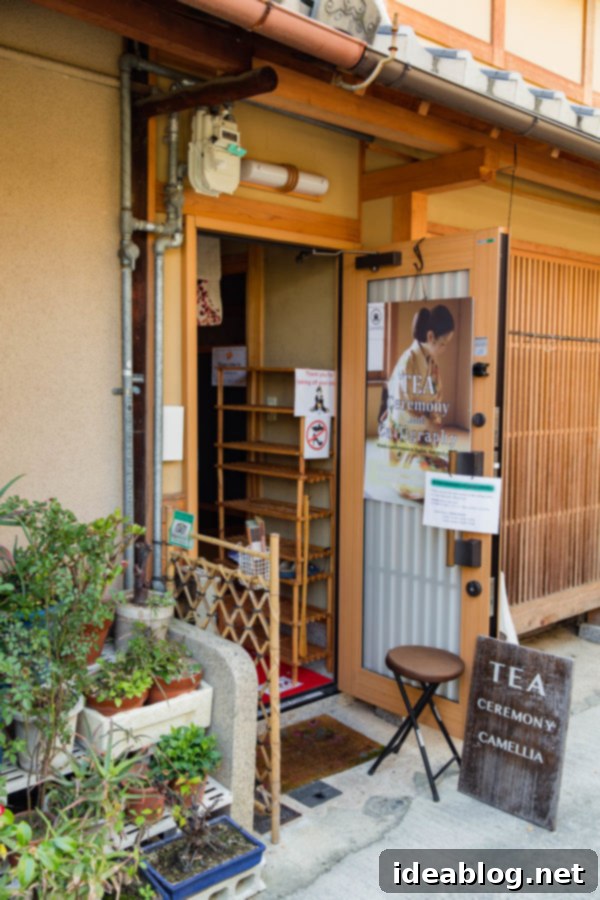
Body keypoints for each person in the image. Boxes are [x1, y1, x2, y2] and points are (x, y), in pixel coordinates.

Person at [379, 304, 455, 443]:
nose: (445, 348)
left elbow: (436, 398)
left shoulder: (433, 364)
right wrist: (428, 425)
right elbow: (401, 410)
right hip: (401, 431)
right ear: (431, 336)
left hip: (423, 430)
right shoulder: (408, 361)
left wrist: (435, 423)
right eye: (443, 343)